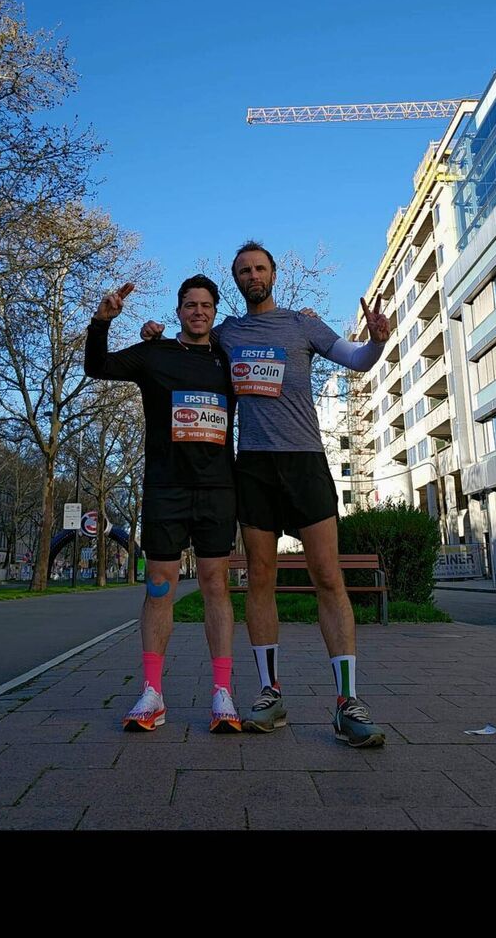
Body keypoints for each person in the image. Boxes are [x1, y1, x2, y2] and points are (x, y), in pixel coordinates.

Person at [141, 242, 390, 748]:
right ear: (236, 280)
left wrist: (378, 342)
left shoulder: (302, 325)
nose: (252, 275)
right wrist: (154, 336)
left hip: (304, 463)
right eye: (243, 271)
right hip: (251, 466)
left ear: (273, 274)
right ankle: (269, 693)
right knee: (259, 578)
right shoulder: (228, 333)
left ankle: (347, 702)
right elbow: (188, 349)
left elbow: (355, 359)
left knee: (327, 575)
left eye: (259, 268)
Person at [85, 274, 241, 735]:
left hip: (217, 490)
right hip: (165, 490)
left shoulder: (228, 359)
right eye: (190, 305)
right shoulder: (155, 353)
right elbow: (97, 367)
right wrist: (101, 321)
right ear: (178, 312)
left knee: (216, 586)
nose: (198, 312)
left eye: (206, 305)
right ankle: (152, 693)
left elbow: (273, 371)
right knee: (159, 586)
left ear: (215, 311)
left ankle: (222, 693)